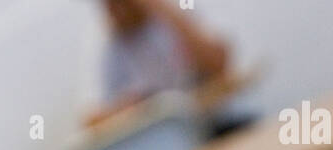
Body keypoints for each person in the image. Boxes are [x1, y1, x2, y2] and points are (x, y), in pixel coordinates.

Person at [87, 0, 240, 134]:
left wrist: (163, 9)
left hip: (217, 123)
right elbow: (92, 120)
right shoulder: (111, 48)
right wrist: (134, 106)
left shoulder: (181, 9)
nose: (113, 8)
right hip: (166, 144)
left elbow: (219, 61)